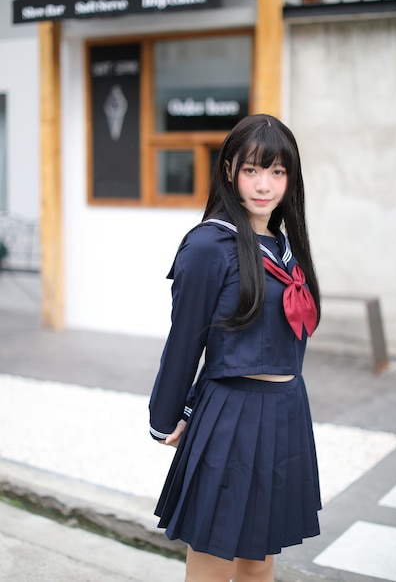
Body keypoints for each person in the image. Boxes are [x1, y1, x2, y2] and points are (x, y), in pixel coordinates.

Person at [149, 114, 321, 582]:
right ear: (229, 171)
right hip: (232, 415)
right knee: (214, 557)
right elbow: (186, 339)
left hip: (285, 412)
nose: (264, 184)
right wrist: (169, 415)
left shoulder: (286, 246)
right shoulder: (209, 245)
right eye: (252, 169)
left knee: (260, 561)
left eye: (277, 172)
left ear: (291, 178)